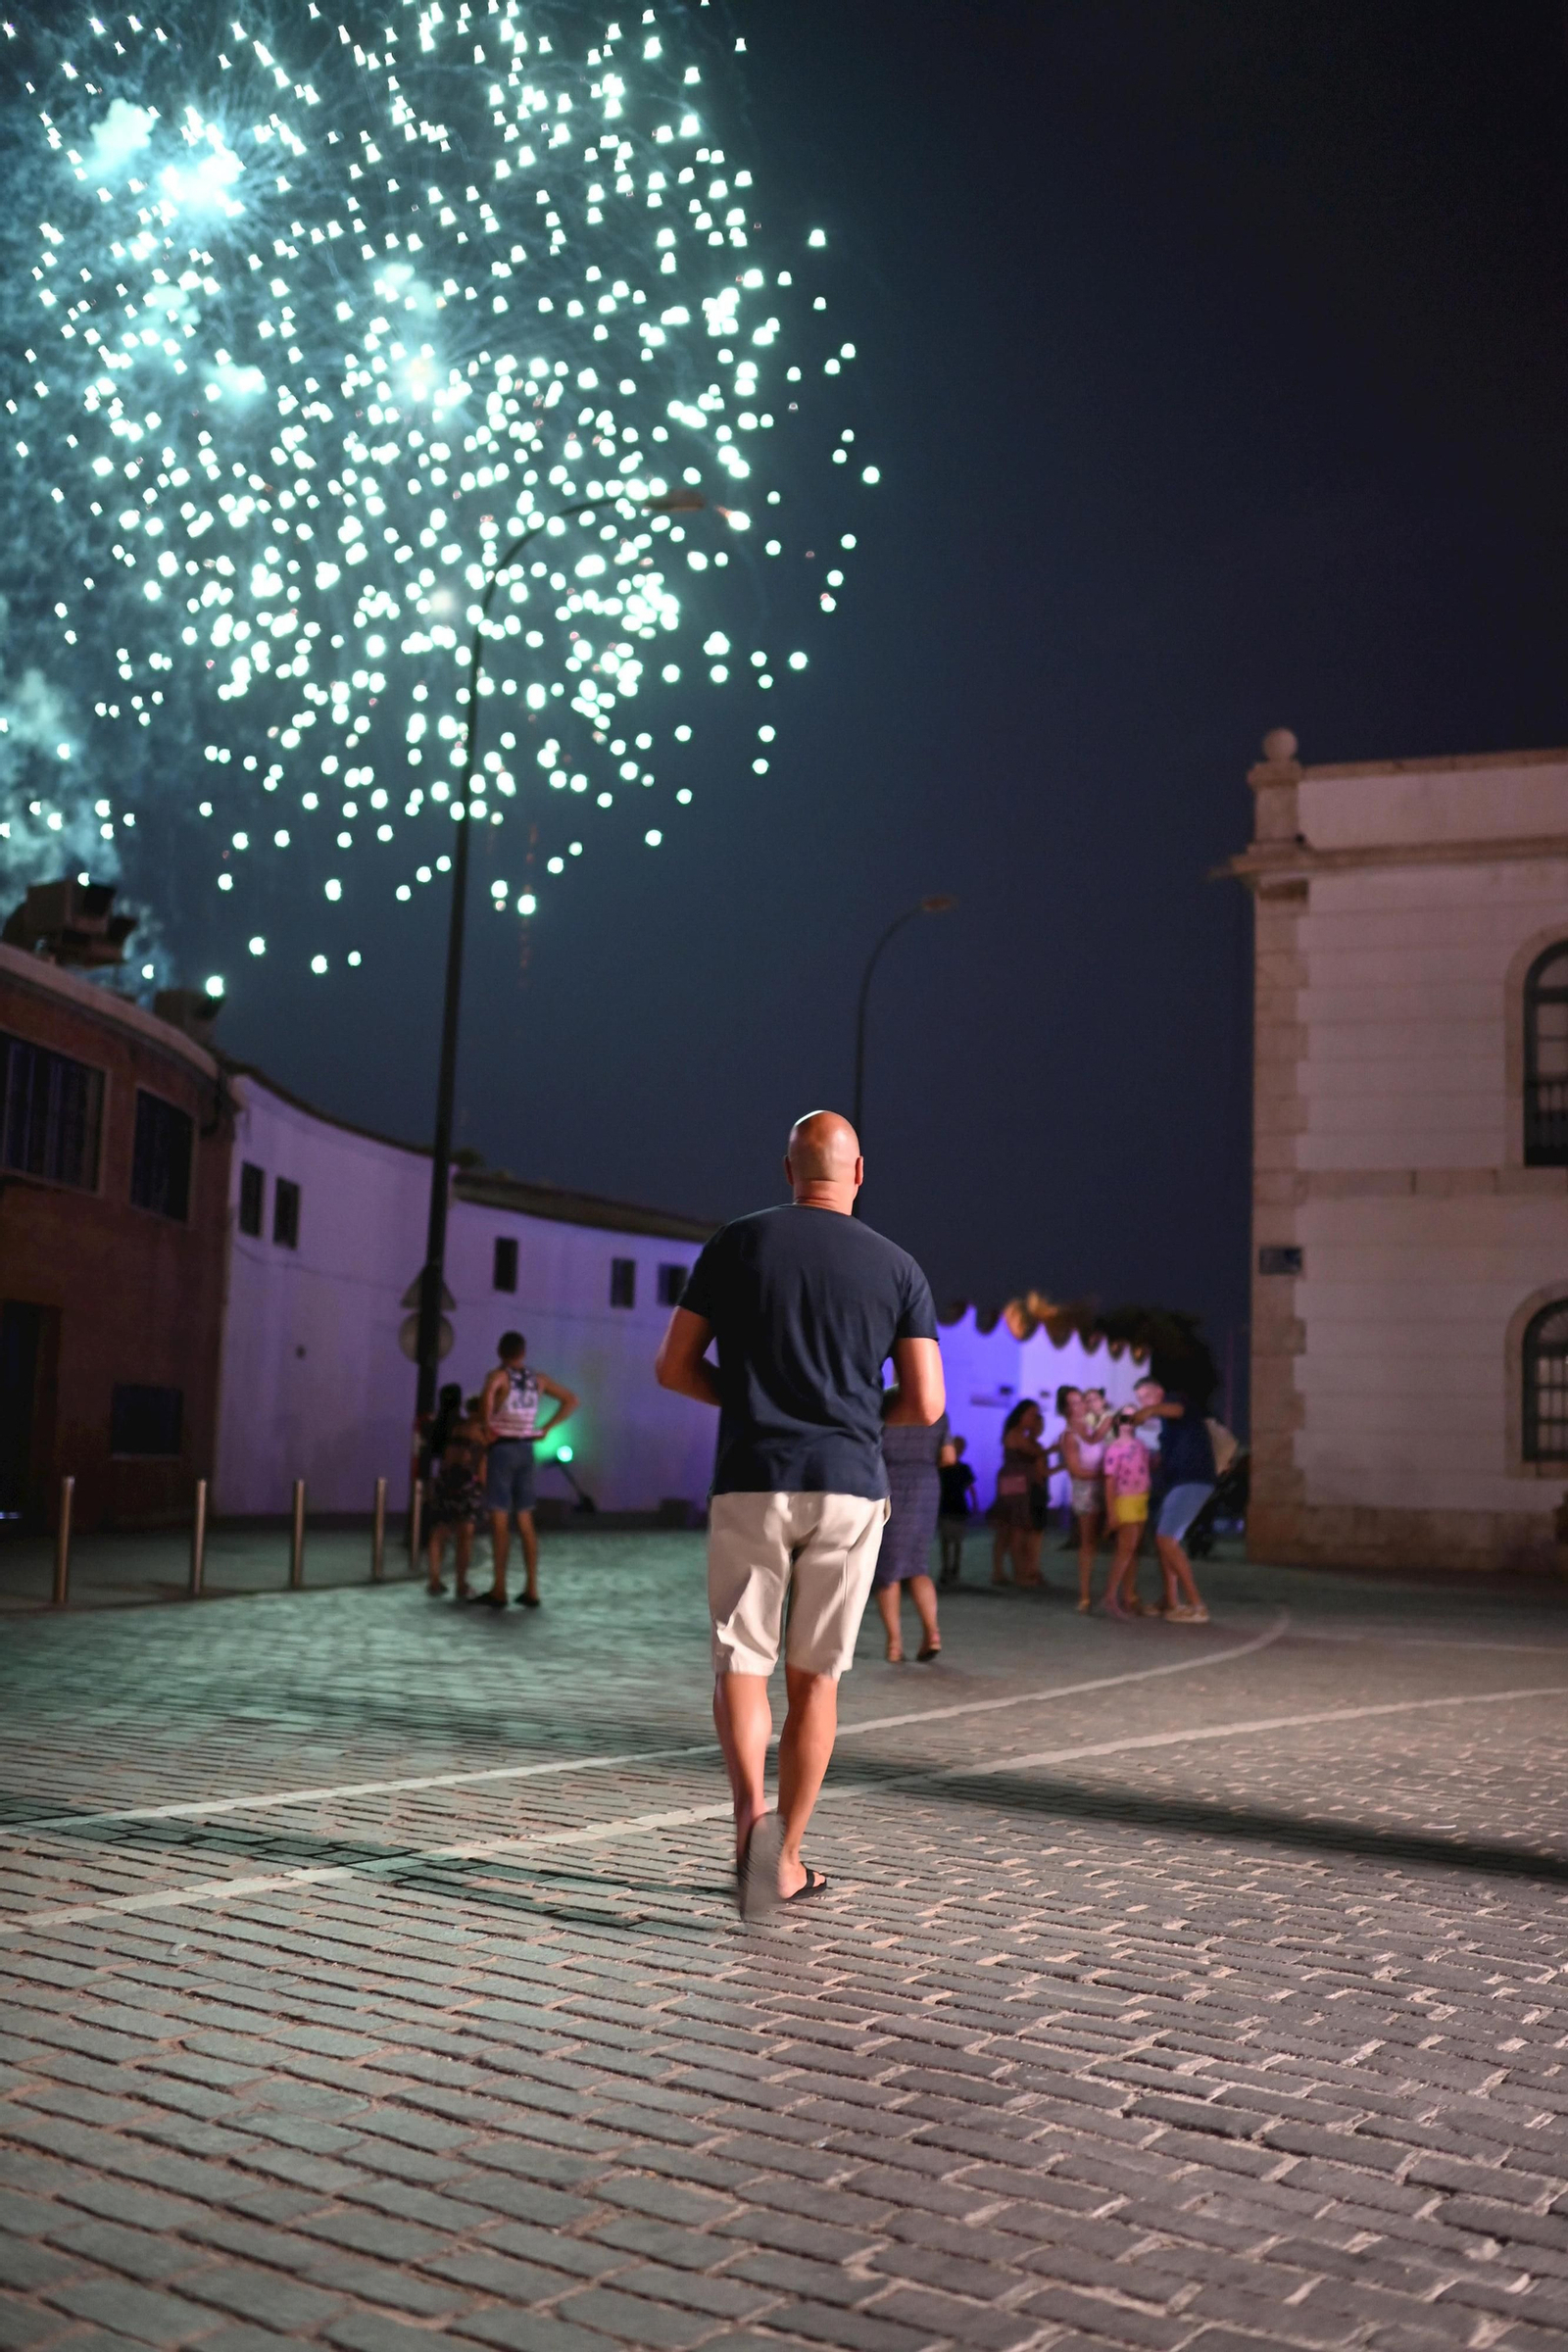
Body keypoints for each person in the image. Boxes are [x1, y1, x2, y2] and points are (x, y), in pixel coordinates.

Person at [654, 1109, 944, 1916]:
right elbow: (926, 1403)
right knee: (817, 1682)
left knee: (742, 1663)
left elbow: (673, 1367)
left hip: (751, 1474)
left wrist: (749, 1402)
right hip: (849, 1482)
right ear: (857, 1174)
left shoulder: (736, 1243)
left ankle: (749, 1826)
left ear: (787, 1170)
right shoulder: (899, 1269)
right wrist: (850, 1413)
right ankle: (783, 1861)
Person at [477, 1333, 578, 1609]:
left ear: (500, 1350)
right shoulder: (538, 1380)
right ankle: (531, 1587)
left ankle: (499, 1588)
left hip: (502, 1448)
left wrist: (487, 1426)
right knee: (525, 1519)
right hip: (525, 1449)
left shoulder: (498, 1376)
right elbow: (571, 1400)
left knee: (499, 1518)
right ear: (523, 1352)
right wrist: (545, 1427)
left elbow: (487, 1398)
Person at [875, 1391, 947, 1662]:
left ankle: (895, 1643)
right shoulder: (936, 1409)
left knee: (889, 1568)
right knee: (918, 1564)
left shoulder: (884, 1407)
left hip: (891, 1483)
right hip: (926, 1484)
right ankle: (933, 1633)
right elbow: (949, 1456)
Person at [1144, 1386, 1214, 1623]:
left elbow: (1176, 1409)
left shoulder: (1178, 1400)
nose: (1145, 1402)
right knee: (1163, 1541)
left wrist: (1151, 1409)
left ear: (1160, 1392)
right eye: (1140, 1398)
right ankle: (1171, 1601)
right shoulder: (1166, 1430)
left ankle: (1197, 1605)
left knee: (1166, 1539)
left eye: (1148, 1395)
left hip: (1193, 1480)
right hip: (1179, 1484)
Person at [425, 1394, 488, 1599]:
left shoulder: (455, 1428)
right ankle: (461, 1583)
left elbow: (446, 1457)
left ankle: (434, 1580)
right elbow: (480, 1465)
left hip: (446, 1481)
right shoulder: (481, 1434)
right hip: (466, 1484)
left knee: (439, 1532)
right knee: (465, 1535)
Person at [1101, 1407, 1152, 1617]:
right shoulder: (1114, 1449)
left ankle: (1128, 1595)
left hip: (1141, 1499)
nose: (1128, 1421)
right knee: (1125, 1549)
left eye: (1132, 1417)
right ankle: (1110, 1596)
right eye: (1124, 1418)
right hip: (1125, 1500)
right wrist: (1112, 1512)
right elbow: (1109, 1481)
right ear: (1117, 1421)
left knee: (1132, 1551)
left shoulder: (1140, 1446)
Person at [1059, 1392, 1106, 1612]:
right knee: (1088, 1542)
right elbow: (1076, 1470)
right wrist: (1106, 1476)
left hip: (1105, 1487)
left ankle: (1120, 1593)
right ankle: (1085, 1595)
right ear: (1067, 1408)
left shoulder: (1093, 1429)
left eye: (1082, 1401)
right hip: (1086, 1490)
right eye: (1074, 1403)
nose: (1081, 1406)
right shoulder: (1070, 1435)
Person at [992, 1399, 1046, 1589]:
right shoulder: (1016, 1434)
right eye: (1032, 1414)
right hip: (1015, 1485)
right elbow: (1033, 1451)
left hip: (1017, 1484)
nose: (1034, 1418)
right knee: (1015, 1529)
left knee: (1010, 1529)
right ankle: (1018, 1573)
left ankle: (1003, 1571)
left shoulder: (1018, 1434)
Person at [937, 1433, 976, 1585]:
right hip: (949, 1506)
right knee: (948, 1541)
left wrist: (975, 1503)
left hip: (954, 1507)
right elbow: (971, 1487)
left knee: (953, 1541)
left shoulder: (948, 1468)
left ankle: (952, 1569)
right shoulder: (957, 1468)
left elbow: (971, 1488)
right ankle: (949, 1569)